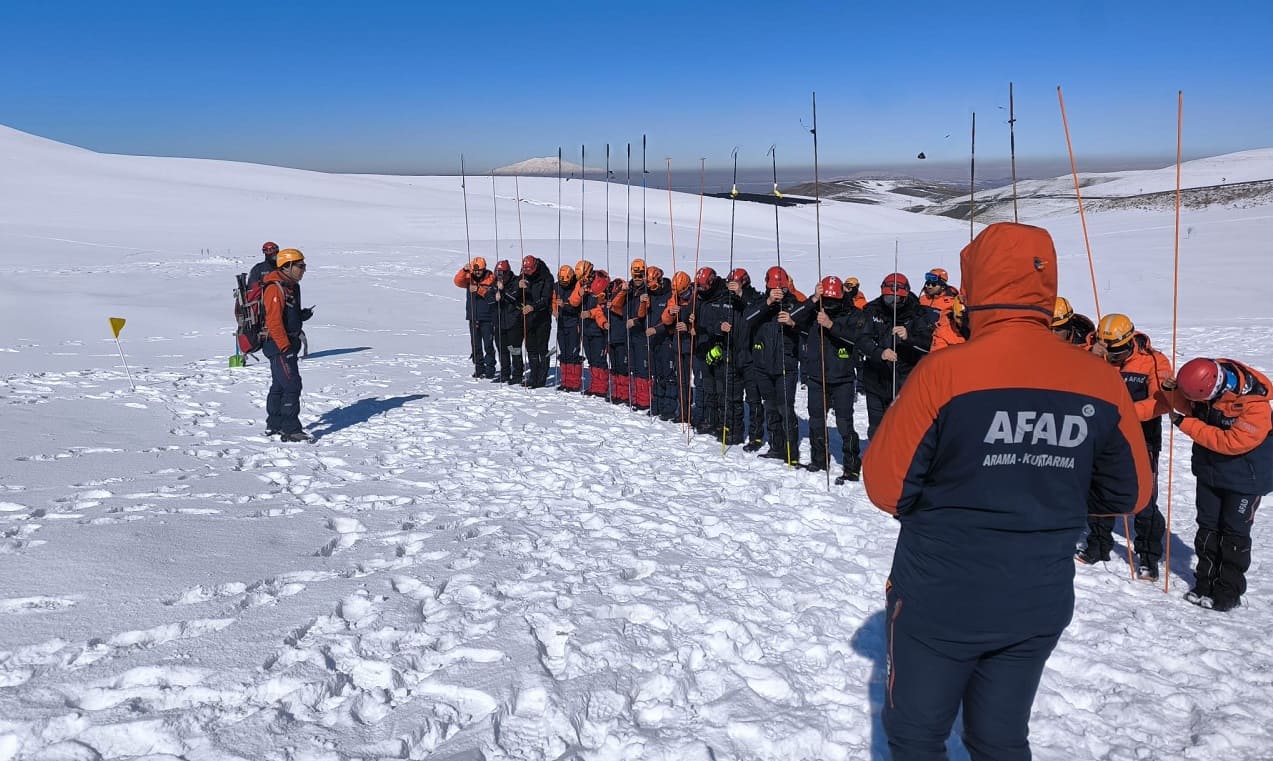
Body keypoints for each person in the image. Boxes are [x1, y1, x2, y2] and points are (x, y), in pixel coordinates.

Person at [863, 222, 1152, 761]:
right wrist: (1048, 487)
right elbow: (1129, 492)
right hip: (1037, 597)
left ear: (974, 287)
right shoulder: (1099, 379)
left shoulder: (944, 371)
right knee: (1000, 738)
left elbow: (886, 487)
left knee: (917, 736)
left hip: (940, 594)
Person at [1165, 357, 1273, 611]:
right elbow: (1191, 405)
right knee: (1208, 528)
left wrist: (1185, 424)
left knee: (1234, 533)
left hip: (1245, 480)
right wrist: (1171, 390)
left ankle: (1228, 591)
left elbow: (1232, 442)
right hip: (1210, 473)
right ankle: (1205, 582)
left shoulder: (1255, 406)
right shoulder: (1207, 389)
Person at [1077, 314, 1172, 578]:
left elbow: (1162, 402)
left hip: (1142, 437)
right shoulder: (1093, 354)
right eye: (1108, 349)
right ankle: (1098, 544)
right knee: (1097, 491)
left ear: (1130, 340)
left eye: (1118, 351)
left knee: (1144, 497)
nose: (1113, 355)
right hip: (1101, 437)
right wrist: (1093, 357)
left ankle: (1149, 556)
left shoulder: (1153, 360)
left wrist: (1124, 413)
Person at [794, 276, 865, 480]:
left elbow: (856, 339)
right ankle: (819, 460)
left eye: (834, 300)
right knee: (816, 420)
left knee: (844, 424)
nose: (830, 304)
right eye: (827, 299)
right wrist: (813, 300)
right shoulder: (814, 312)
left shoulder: (853, 314)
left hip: (842, 378)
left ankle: (851, 466)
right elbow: (793, 317)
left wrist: (831, 325)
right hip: (817, 377)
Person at [856, 273, 935, 440]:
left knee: (903, 427)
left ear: (905, 296)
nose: (891, 304)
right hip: (876, 379)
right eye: (888, 299)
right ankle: (878, 463)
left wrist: (908, 337)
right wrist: (879, 352)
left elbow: (929, 344)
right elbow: (861, 339)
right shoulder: (872, 310)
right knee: (876, 429)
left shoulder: (918, 314)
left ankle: (902, 463)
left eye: (896, 300)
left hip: (905, 380)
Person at [742, 265, 806, 465]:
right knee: (770, 407)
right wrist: (769, 302)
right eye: (773, 288)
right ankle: (776, 446)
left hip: (785, 366)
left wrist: (793, 323)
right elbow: (747, 320)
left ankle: (791, 450)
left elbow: (807, 331)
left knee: (785, 408)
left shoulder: (794, 304)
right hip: (762, 366)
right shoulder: (760, 303)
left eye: (781, 288)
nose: (778, 292)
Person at [262, 248, 317, 442]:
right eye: (300, 266)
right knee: (292, 384)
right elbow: (273, 321)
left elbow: (285, 315)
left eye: (304, 266)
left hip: (286, 343)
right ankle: (290, 429)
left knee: (280, 384)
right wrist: (285, 348)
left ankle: (274, 425)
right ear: (288, 266)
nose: (304, 270)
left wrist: (300, 316)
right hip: (278, 345)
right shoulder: (275, 288)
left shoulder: (290, 286)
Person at [725, 268, 765, 450]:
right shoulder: (727, 299)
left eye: (736, 282)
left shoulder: (754, 297)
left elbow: (755, 311)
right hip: (732, 353)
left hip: (750, 355)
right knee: (733, 397)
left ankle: (756, 436)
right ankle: (734, 430)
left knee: (753, 399)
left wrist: (740, 294)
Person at [693, 267, 731, 437]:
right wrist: (690, 319)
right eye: (699, 287)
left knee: (721, 387)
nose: (701, 290)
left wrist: (716, 329)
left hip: (719, 347)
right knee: (708, 386)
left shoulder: (723, 295)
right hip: (702, 345)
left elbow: (725, 322)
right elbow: (691, 315)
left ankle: (722, 422)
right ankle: (709, 419)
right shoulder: (699, 297)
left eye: (704, 286)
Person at [453, 256, 497, 378]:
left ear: (484, 269)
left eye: (479, 270)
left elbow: (492, 296)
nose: (477, 272)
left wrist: (478, 290)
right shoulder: (469, 278)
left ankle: (490, 369)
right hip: (473, 317)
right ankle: (479, 368)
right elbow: (457, 281)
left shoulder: (491, 278)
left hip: (487, 318)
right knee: (475, 345)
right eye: (475, 270)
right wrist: (464, 270)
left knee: (488, 345)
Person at [519, 255, 554, 388]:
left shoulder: (546, 278)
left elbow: (546, 299)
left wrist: (533, 306)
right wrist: (519, 285)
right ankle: (533, 376)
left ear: (535, 267)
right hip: (528, 318)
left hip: (542, 318)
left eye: (528, 269)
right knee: (530, 348)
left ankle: (542, 378)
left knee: (542, 349)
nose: (526, 272)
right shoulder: (524, 276)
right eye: (524, 269)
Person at [492, 260, 524, 384]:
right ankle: (505, 373)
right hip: (499, 323)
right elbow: (489, 299)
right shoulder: (495, 284)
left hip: (513, 323)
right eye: (498, 274)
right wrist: (495, 295)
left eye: (502, 274)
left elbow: (515, 297)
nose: (500, 277)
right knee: (502, 349)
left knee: (514, 350)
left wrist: (503, 291)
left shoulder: (516, 282)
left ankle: (517, 374)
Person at [554, 264, 583, 391]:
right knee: (564, 353)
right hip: (561, 324)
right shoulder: (556, 286)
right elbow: (553, 301)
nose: (563, 284)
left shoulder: (577, 286)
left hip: (573, 324)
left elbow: (576, 306)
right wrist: (554, 310)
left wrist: (564, 306)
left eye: (565, 282)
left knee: (573, 354)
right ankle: (565, 381)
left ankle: (574, 383)